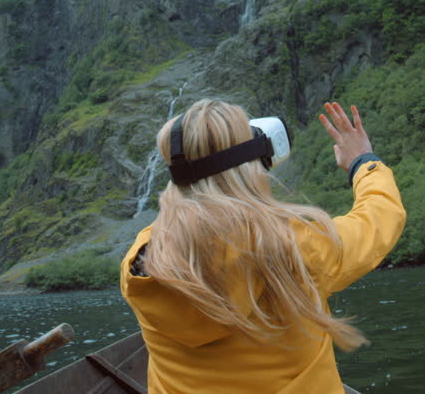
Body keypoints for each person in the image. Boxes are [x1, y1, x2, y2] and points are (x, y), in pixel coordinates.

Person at [120, 98, 405, 393]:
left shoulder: (145, 257)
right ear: (252, 161)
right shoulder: (293, 245)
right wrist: (363, 162)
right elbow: (379, 219)